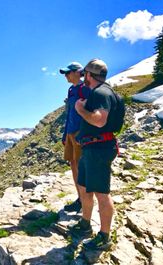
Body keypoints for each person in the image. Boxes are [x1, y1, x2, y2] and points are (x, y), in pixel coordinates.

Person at [68, 59, 122, 251]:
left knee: (101, 193)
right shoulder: (106, 92)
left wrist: (80, 109)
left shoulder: (101, 93)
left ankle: (104, 236)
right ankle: (85, 224)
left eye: (85, 75)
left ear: (90, 75)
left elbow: (99, 121)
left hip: (99, 148)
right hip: (92, 148)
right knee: (84, 187)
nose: (83, 78)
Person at [59, 62, 90, 213]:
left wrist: (83, 133)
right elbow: (70, 112)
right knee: (73, 164)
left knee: (80, 165)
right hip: (71, 132)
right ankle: (80, 198)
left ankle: (85, 201)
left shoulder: (85, 89)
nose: (66, 76)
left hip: (79, 133)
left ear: (78, 72)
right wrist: (65, 134)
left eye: (68, 72)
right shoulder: (71, 89)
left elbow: (88, 112)